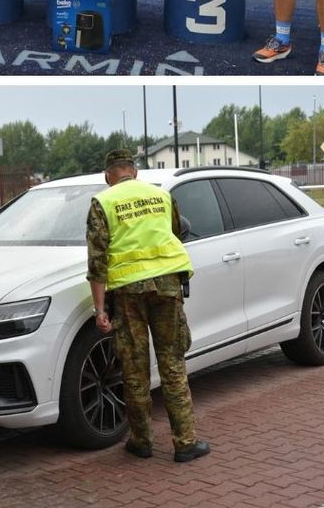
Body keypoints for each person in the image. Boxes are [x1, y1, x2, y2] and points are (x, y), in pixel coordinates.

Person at [87, 149, 210, 463]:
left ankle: (141, 441)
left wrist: (100, 310)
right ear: (135, 171)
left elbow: (97, 262)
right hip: (166, 287)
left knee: (135, 369)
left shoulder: (104, 202)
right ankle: (185, 443)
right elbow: (174, 231)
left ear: (107, 176)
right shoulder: (160, 196)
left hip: (128, 294)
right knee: (173, 365)